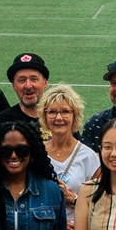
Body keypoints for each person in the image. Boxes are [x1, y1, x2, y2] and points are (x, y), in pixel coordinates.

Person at [39, 84, 100, 214]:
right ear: (44, 116)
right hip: (45, 228)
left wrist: (73, 199)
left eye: (65, 112)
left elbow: (99, 204)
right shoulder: (36, 153)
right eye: (52, 112)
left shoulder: (89, 157)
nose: (59, 118)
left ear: (75, 115)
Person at [0, 52, 49, 130]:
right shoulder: (4, 120)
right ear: (13, 85)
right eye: (22, 80)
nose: (28, 86)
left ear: (45, 83)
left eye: (34, 79)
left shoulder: (60, 118)